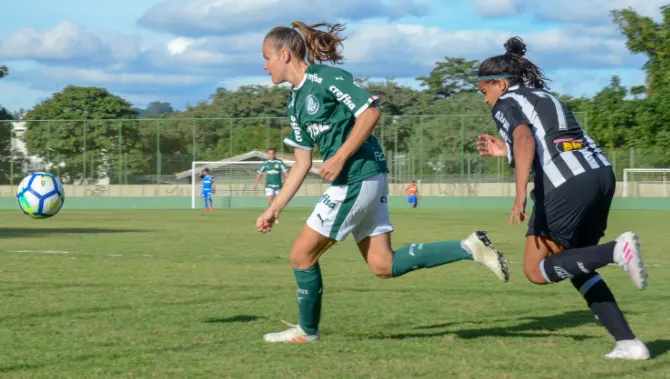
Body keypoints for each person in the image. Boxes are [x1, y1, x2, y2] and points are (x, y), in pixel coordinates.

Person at [255, 21, 510, 343]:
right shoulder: (295, 102)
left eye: (266, 58)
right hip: (363, 179)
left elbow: (370, 112)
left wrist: (339, 157)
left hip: (357, 177)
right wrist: (274, 208)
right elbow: (302, 163)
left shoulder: (324, 79)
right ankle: (468, 247)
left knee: (301, 256)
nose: (264, 66)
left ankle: (306, 332)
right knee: (382, 264)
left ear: (284, 53)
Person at [476, 36, 649, 360]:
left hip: (565, 184)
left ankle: (616, 250)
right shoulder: (544, 95)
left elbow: (525, 136)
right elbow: (547, 141)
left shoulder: (506, 102)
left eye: (483, 92)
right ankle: (628, 342)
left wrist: (518, 196)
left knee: (535, 270)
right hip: (599, 176)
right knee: (576, 264)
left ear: (499, 83)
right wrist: (508, 153)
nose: (485, 100)